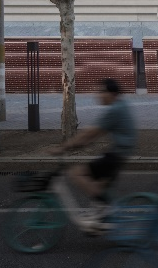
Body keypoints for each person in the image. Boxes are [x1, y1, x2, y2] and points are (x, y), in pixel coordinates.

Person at [57, 78, 136, 226]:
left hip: (117, 155)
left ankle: (104, 208)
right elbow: (95, 134)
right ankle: (102, 219)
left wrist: (64, 147)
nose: (98, 95)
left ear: (112, 93)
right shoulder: (121, 104)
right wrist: (83, 142)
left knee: (76, 174)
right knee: (99, 187)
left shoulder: (114, 110)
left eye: (102, 92)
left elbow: (91, 133)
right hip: (121, 152)